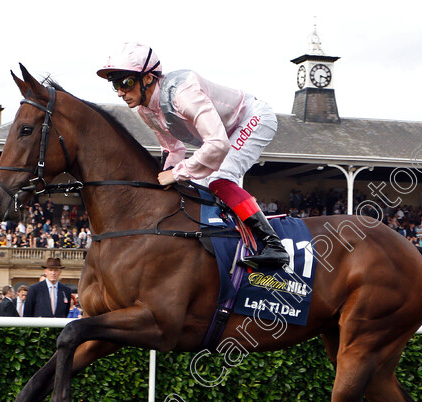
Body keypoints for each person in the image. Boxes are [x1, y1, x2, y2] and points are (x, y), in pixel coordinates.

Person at [97, 42, 288, 269]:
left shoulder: (182, 95)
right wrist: (166, 174)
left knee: (220, 178)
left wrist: (177, 173)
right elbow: (174, 149)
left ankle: (274, 246)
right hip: (220, 133)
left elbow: (217, 145)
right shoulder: (145, 110)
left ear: (148, 78)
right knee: (195, 184)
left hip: (251, 118)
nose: (120, 92)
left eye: (126, 82)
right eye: (115, 85)